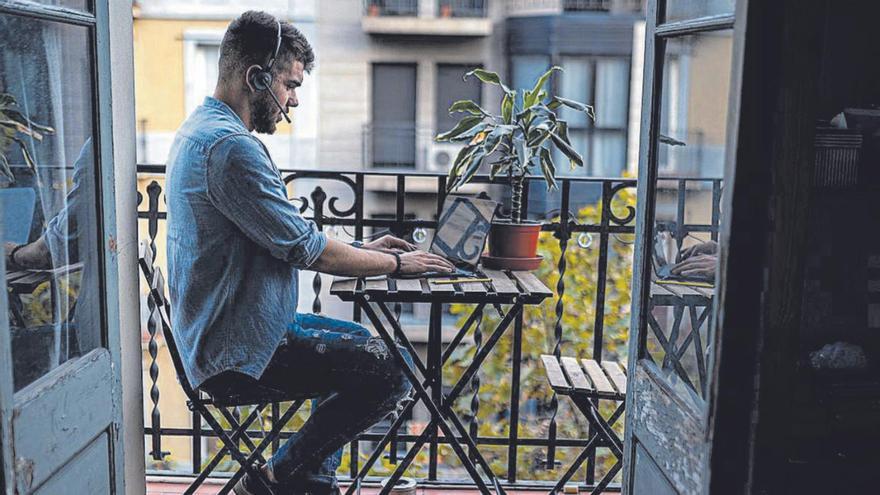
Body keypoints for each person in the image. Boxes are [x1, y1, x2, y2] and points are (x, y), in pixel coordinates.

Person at [164, 11, 454, 495]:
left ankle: (310, 483)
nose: (293, 99)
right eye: (290, 84)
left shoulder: (202, 131)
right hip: (238, 355)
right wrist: (400, 264)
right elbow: (306, 249)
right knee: (395, 371)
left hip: (241, 330)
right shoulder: (231, 148)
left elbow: (284, 231)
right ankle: (278, 479)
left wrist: (364, 248)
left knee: (365, 348)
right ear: (257, 77)